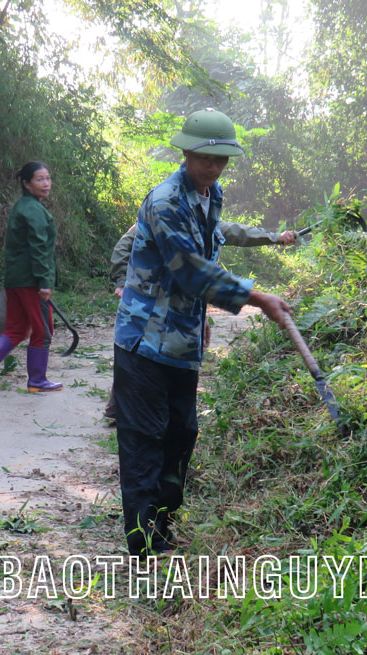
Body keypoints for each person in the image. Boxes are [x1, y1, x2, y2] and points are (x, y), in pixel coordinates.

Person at [113, 109, 293, 556]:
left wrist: (203, 317)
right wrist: (259, 298)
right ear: (186, 152)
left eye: (221, 160)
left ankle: (163, 528)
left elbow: (208, 252)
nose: (212, 167)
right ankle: (142, 544)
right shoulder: (166, 201)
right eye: (204, 157)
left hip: (180, 342)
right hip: (143, 343)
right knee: (143, 439)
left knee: (181, 434)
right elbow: (192, 271)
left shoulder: (210, 196)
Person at [103, 219, 297, 422]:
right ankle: (118, 409)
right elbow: (123, 248)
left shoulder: (207, 222)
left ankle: (144, 411)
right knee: (137, 351)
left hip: (181, 305)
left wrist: (276, 237)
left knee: (163, 357)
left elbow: (240, 233)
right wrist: (122, 281)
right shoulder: (160, 214)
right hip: (148, 300)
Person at [0, 161, 61, 393]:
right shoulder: (33, 209)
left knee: (16, 329)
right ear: (26, 183)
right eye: (39, 179)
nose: (46, 183)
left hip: (15, 279)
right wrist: (44, 282)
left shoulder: (22, 206)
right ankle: (37, 380)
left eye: (48, 178)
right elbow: (39, 248)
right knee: (43, 329)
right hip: (31, 280)